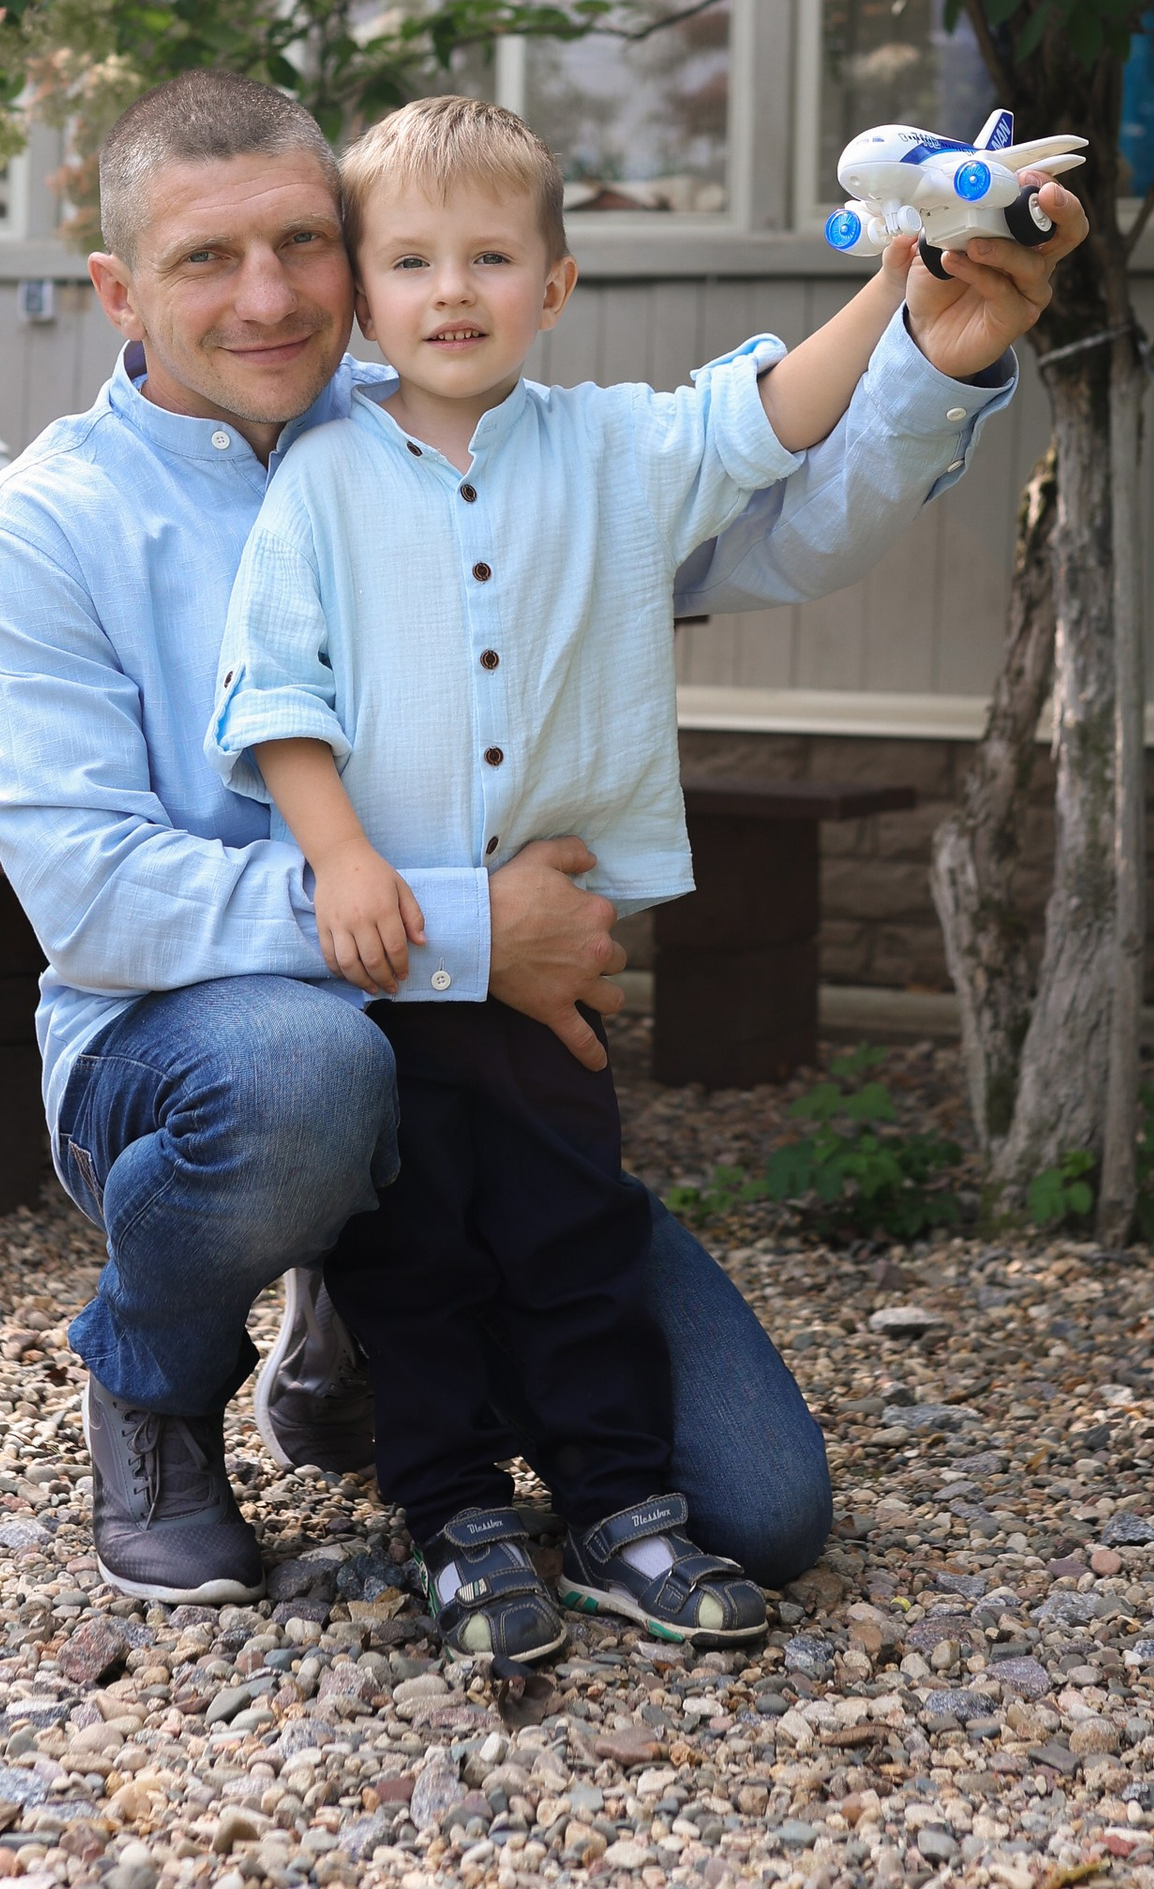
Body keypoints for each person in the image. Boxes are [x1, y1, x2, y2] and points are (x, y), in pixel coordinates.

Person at [0, 67, 1087, 1608]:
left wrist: (931, 364)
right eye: (207, 260)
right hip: (186, 1065)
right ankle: (155, 1378)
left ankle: (362, 1304)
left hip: (478, 1071)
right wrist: (475, 928)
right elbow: (96, 901)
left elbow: (774, 527)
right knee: (308, 1070)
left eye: (304, 243)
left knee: (762, 1514)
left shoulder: (466, 429)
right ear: (116, 293)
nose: (271, 296)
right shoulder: (44, 527)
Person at [210, 95, 921, 1670]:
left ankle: (619, 1510)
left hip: (548, 965)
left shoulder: (614, 450)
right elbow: (276, 691)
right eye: (410, 260)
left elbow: (770, 417)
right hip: (393, 964)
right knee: (418, 1253)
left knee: (571, 1232)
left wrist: (900, 286)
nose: (450, 290)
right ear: (365, 294)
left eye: (488, 257)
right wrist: (337, 857)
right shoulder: (322, 478)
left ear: (557, 283)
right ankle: (450, 1511)